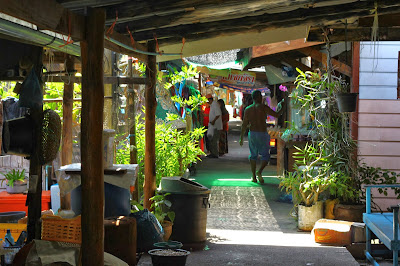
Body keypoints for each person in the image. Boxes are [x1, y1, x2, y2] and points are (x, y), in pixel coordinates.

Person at [239, 90, 285, 183]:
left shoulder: (248, 109)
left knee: (253, 155)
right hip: (262, 133)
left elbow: (244, 124)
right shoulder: (263, 107)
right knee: (266, 156)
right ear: (259, 97)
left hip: (252, 134)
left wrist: (241, 137)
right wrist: (284, 107)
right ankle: (259, 172)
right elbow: (276, 114)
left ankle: (253, 176)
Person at [206, 94, 222, 158]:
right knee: (211, 139)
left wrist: (213, 121)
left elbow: (218, 114)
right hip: (213, 125)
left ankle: (215, 154)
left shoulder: (215, 105)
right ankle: (213, 153)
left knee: (214, 140)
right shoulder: (212, 105)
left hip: (215, 126)